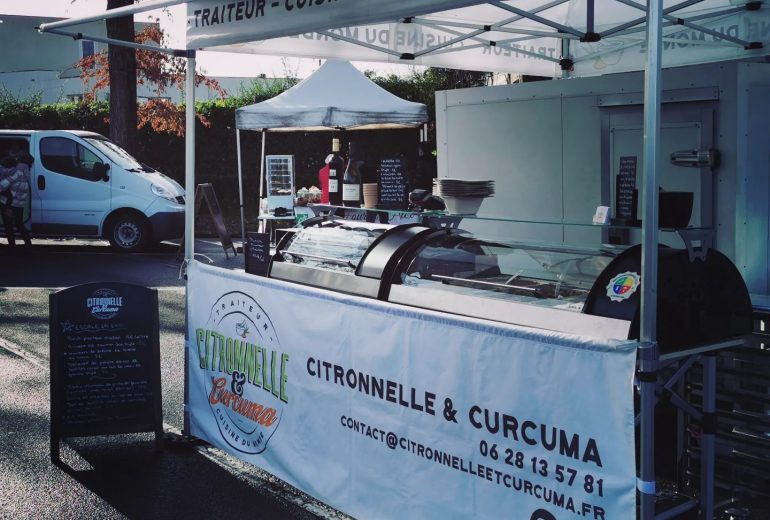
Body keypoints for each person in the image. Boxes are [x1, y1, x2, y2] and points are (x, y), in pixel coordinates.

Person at [0, 152, 33, 247]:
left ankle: (12, 247)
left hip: (8, 205)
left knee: (8, 226)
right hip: (19, 205)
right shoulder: (26, 173)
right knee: (19, 225)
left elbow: (1, 186)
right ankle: (28, 244)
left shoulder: (15, 173)